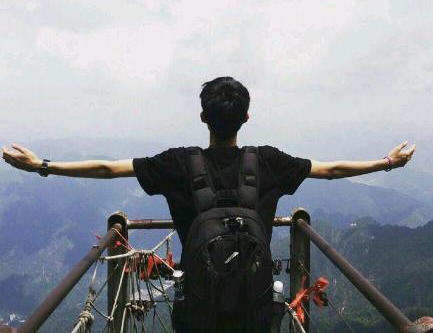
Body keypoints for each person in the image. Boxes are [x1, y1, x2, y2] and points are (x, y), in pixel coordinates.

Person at [1, 76, 416, 332]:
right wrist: (386, 163)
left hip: (199, 305)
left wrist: (43, 166)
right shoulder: (269, 162)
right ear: (246, 118)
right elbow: (331, 170)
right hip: (255, 305)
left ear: (203, 117)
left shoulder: (178, 164)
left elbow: (109, 169)